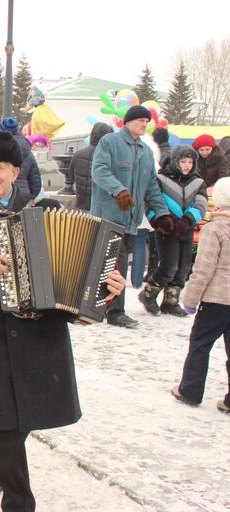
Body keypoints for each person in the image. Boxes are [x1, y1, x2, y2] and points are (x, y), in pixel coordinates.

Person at [0, 131, 125, 512]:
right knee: (4, 421)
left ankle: (0, 455)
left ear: (15, 170)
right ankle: (18, 500)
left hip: (42, 337)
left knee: (23, 420)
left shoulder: (48, 210)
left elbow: (81, 268)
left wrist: (108, 285)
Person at [91, 105, 172, 329]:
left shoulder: (145, 152)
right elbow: (99, 171)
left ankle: (101, 306)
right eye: (140, 120)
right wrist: (119, 191)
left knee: (111, 264)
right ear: (127, 122)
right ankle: (115, 312)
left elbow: (151, 187)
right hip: (108, 216)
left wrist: (162, 214)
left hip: (130, 220)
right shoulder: (110, 142)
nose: (144, 124)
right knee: (115, 264)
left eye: (147, 120)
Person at [171, 176, 230, 415]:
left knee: (200, 344)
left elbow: (203, 270)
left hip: (216, 300)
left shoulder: (214, 229)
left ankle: (190, 390)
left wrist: (190, 300)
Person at [139, 145, 207, 317]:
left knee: (184, 267)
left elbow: (201, 204)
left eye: (190, 162)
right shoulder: (161, 179)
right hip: (166, 228)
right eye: (183, 161)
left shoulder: (197, 182)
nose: (187, 165)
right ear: (175, 161)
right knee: (169, 265)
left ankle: (171, 301)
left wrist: (188, 220)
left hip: (186, 228)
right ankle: (148, 294)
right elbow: (152, 202)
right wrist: (161, 220)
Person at [67, 122, 113, 211]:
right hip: (99, 206)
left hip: (81, 203)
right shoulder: (108, 156)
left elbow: (70, 176)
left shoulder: (78, 154)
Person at [0, 117, 41, 198]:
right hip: (23, 194)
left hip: (0, 194)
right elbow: (35, 179)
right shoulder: (27, 148)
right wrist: (31, 197)